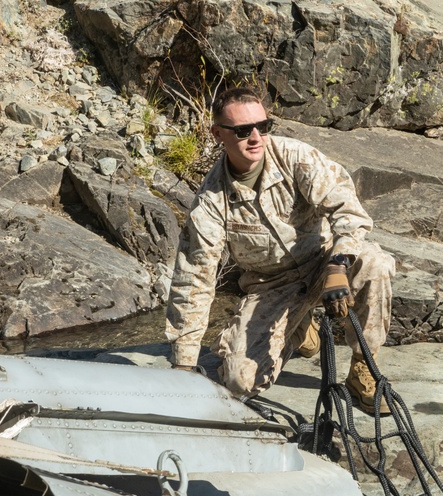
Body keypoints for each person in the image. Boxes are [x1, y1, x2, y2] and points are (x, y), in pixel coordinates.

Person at [165, 86, 395, 414]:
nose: (256, 137)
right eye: (243, 131)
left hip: (324, 261)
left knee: (376, 263)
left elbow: (350, 212)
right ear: (218, 133)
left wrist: (338, 263)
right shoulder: (210, 203)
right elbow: (194, 282)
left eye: (264, 126)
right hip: (270, 286)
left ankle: (362, 370)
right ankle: (300, 328)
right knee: (239, 383)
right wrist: (184, 365)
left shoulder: (296, 157)